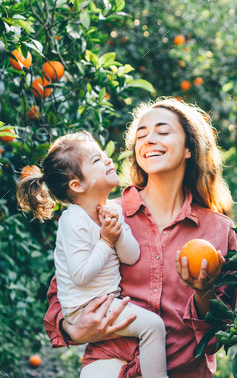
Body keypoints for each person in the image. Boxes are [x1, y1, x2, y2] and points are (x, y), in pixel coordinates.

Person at [43, 98, 237, 377]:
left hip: (185, 370)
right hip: (110, 363)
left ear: (188, 148)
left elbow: (219, 332)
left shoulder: (219, 231)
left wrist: (203, 290)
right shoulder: (104, 214)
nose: (149, 139)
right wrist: (73, 328)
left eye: (162, 131)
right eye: (141, 135)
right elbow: (61, 292)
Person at [17, 131, 168, 378]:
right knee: (154, 327)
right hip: (85, 308)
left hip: (103, 303)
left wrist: (117, 233)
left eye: (104, 156)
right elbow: (80, 276)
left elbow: (131, 257)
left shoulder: (110, 211)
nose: (108, 160)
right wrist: (106, 241)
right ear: (77, 185)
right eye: (97, 160)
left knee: (151, 327)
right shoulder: (73, 220)